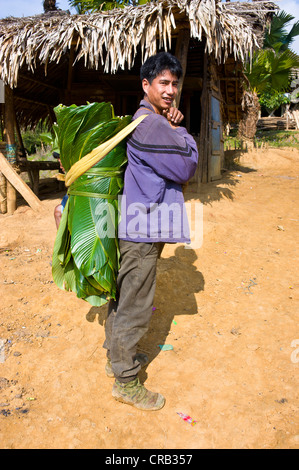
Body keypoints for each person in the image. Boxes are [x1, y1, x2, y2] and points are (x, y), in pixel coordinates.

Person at [103, 51, 199, 411]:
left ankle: (116, 357)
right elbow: (187, 166)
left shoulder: (146, 120)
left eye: (175, 83)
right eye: (164, 82)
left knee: (124, 297)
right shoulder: (153, 125)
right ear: (146, 85)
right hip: (143, 230)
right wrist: (181, 130)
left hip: (135, 226)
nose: (171, 89)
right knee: (137, 306)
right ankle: (126, 382)